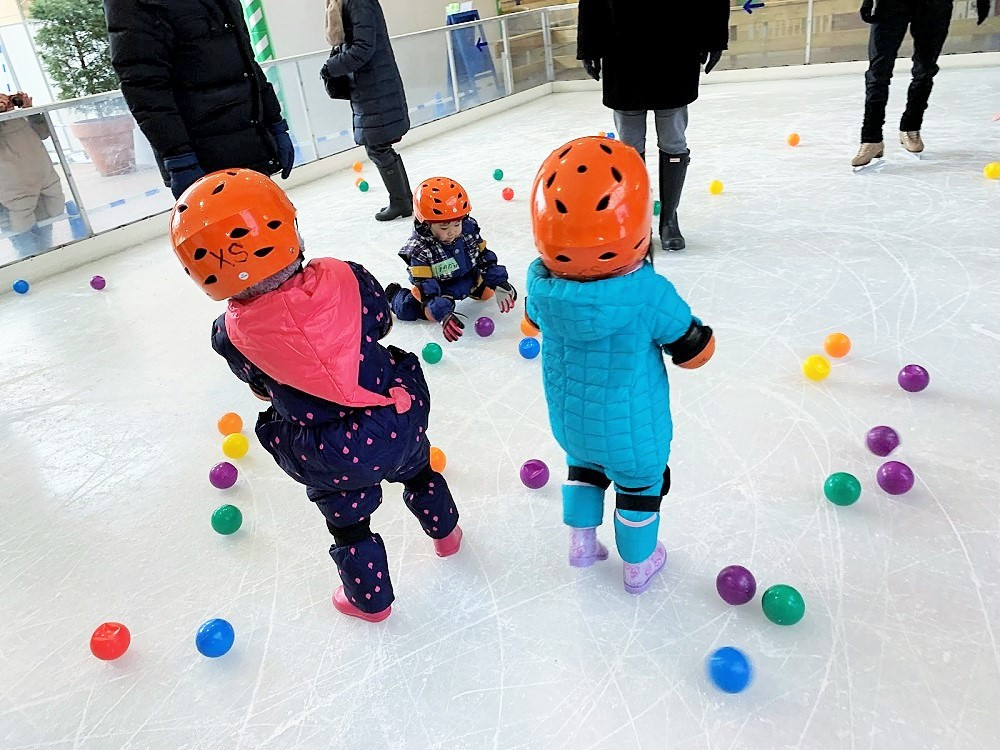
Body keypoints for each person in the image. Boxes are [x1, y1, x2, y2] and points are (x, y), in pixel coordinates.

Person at [168, 170, 462, 622]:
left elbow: (260, 385)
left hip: (333, 452)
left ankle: (371, 602)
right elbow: (382, 323)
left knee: (350, 526)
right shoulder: (347, 276)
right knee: (419, 472)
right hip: (396, 415)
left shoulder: (230, 333)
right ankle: (446, 534)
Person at [525, 137, 714, 594]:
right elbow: (696, 352)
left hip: (571, 422)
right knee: (640, 484)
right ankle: (638, 564)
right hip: (634, 428)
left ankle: (582, 545)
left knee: (584, 467)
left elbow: (530, 325)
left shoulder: (541, 289)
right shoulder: (648, 292)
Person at [576, 0, 731, 251]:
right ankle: (637, 220)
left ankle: (669, 218)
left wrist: (713, 37)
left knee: (673, 140)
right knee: (629, 147)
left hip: (676, 47)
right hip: (622, 49)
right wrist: (589, 46)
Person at [103, 0, 295, 198]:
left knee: (272, 224)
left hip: (251, 146)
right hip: (202, 161)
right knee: (230, 227)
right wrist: (178, 156)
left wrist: (275, 122)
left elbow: (248, 63)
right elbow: (144, 85)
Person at [853, 0, 992, 167]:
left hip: (934, 5)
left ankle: (911, 127)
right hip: (890, 4)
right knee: (878, 72)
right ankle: (871, 138)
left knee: (925, 70)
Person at [385, 177, 517, 341]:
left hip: (469, 276)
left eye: (456, 224)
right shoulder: (420, 249)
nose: (452, 232)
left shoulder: (468, 229)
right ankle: (396, 296)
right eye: (444, 227)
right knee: (422, 311)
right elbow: (427, 286)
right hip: (440, 288)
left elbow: (484, 257)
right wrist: (442, 313)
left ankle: (475, 289)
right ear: (426, 224)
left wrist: (499, 282)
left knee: (487, 293)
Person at [323, 0, 412, 222]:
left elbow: (363, 48)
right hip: (369, 84)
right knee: (378, 146)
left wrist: (331, 67)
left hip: (375, 84)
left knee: (377, 146)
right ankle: (403, 200)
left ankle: (401, 202)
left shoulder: (358, 2)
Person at [0, 92, 65, 258]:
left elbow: (43, 133)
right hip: (10, 200)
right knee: (27, 252)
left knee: (46, 245)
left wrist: (30, 110)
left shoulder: (18, 117)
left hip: (42, 189)